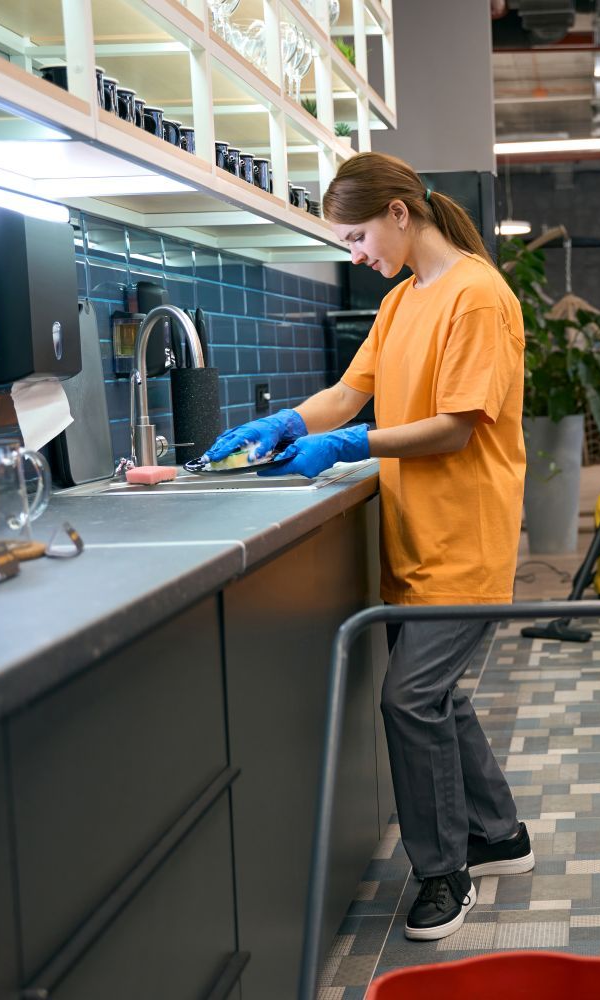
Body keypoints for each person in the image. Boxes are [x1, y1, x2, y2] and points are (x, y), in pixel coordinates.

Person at [201, 152, 533, 943]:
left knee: (408, 698)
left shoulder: (477, 297)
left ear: (397, 213)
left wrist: (351, 445)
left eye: (356, 235)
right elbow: (349, 392)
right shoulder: (401, 302)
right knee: (437, 696)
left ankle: (444, 872)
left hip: (467, 536)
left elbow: (456, 427)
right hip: (415, 537)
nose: (354, 253)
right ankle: (499, 834)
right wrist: (287, 423)